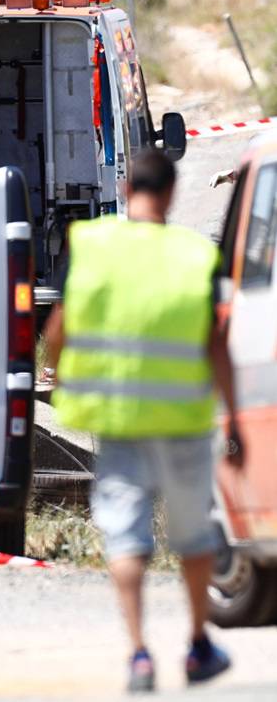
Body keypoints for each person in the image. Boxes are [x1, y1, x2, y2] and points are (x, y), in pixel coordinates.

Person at [42, 151, 242, 694]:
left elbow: (58, 328)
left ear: (127, 187)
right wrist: (233, 415)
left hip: (121, 418)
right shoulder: (195, 255)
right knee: (193, 535)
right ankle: (198, 644)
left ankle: (138, 654)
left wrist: (59, 379)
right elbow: (216, 344)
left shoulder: (94, 245)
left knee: (127, 537)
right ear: (173, 193)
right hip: (183, 418)